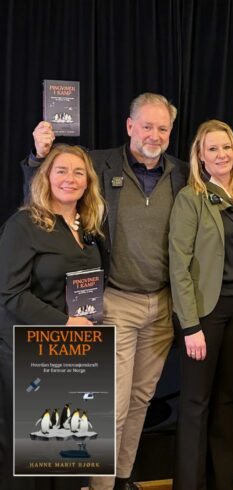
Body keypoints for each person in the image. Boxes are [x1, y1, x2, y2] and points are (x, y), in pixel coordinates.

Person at [21, 93, 189, 490]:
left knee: (141, 400)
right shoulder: (98, 163)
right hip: (114, 301)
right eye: (146, 126)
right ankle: (99, 486)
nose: (154, 135)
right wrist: (38, 157)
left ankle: (122, 478)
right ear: (129, 126)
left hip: (161, 304)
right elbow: (48, 187)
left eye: (162, 128)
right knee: (110, 405)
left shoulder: (182, 173)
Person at [0, 144, 105, 490]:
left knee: (70, 450)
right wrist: (65, 324)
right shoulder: (24, 224)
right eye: (61, 170)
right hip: (28, 350)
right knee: (33, 453)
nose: (70, 179)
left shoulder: (89, 227)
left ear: (88, 182)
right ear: (45, 177)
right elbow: (10, 293)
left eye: (78, 172)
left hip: (74, 350)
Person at [169, 120, 233, 490]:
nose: (221, 154)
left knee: (227, 399)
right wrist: (190, 325)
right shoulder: (190, 198)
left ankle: (224, 481)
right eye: (212, 149)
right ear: (200, 156)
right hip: (205, 313)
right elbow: (178, 266)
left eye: (226, 147)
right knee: (196, 402)